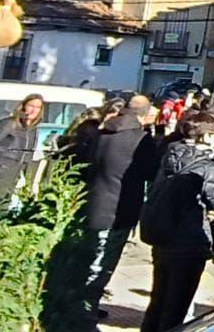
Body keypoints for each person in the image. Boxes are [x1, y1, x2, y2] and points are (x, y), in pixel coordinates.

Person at [139, 112, 214, 332]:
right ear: (207, 137)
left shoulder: (168, 158)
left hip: (162, 240)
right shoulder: (207, 168)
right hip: (191, 245)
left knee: (158, 301)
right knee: (177, 308)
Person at [83, 95, 161, 310]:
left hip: (94, 202)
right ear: (145, 115)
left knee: (91, 258)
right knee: (102, 264)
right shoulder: (140, 140)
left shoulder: (102, 133)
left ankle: (83, 307)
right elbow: (152, 173)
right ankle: (85, 311)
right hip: (121, 209)